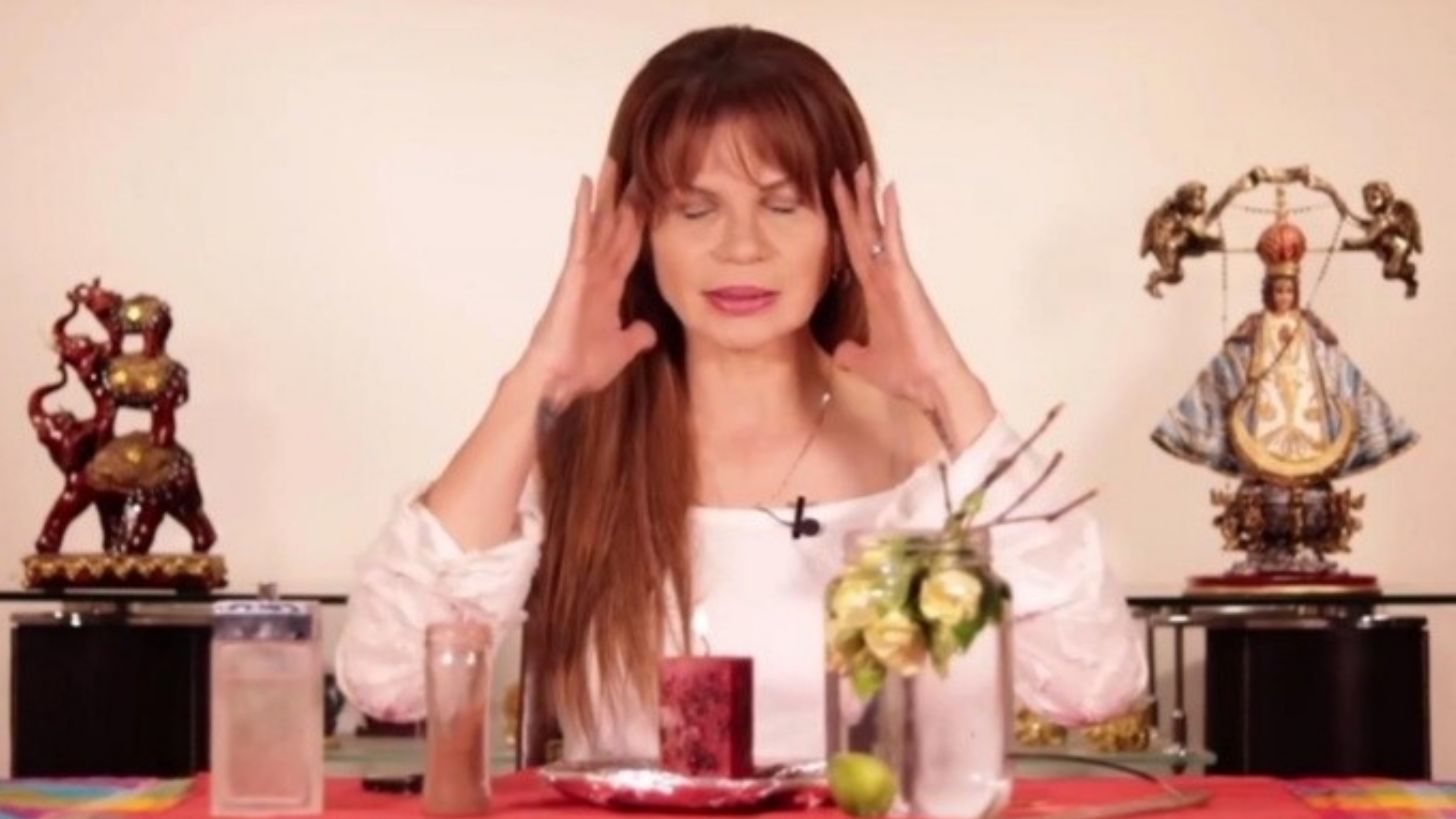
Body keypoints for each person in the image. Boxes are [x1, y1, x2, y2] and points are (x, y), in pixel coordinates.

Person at [337, 25, 1146, 764]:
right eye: (696, 210)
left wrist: (948, 386)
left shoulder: (926, 449)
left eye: (783, 206)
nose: (742, 247)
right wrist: (535, 381)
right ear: (641, 234)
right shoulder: (581, 443)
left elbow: (1094, 684)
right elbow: (389, 681)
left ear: (843, 233)